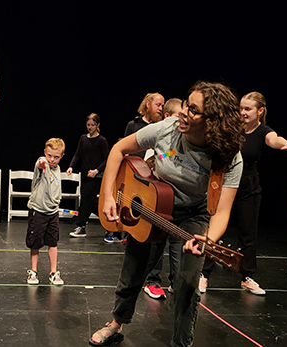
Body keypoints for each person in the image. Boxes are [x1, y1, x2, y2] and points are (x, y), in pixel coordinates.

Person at [89, 81, 244, 347]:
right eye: (186, 104)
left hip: (192, 213)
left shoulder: (228, 157)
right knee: (133, 272)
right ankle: (116, 323)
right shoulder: (167, 129)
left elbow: (221, 212)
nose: (184, 112)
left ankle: (181, 342)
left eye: (193, 110)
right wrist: (107, 198)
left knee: (187, 284)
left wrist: (207, 239)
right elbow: (118, 150)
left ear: (213, 122)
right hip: (151, 202)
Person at [200, 91, 287, 296]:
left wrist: (286, 144)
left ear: (260, 111)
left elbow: (274, 139)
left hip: (248, 186)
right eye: (241, 108)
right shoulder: (232, 127)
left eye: (247, 109)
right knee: (214, 228)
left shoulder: (263, 131)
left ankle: (246, 276)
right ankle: (203, 273)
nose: (242, 112)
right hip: (223, 184)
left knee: (248, 233)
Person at [141, 98, 185, 300]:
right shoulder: (158, 142)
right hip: (158, 204)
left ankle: (177, 282)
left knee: (178, 247)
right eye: (179, 116)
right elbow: (152, 163)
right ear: (168, 117)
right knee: (155, 246)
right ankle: (152, 281)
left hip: (178, 204)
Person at [26, 138, 66, 286]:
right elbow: (40, 162)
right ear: (45, 153)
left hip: (53, 213)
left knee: (53, 243)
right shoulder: (43, 165)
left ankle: (53, 272)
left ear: (61, 156)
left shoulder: (58, 169)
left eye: (56, 157)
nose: (52, 160)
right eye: (49, 155)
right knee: (35, 244)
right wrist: (42, 163)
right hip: (38, 211)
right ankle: (33, 271)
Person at [67, 113, 110, 241]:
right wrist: (71, 166)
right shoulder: (83, 138)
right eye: (88, 125)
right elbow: (77, 154)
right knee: (89, 203)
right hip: (85, 174)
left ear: (98, 125)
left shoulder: (101, 140)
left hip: (95, 176)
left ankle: (81, 226)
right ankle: (109, 224)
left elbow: (107, 159)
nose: (90, 127)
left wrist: (96, 171)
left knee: (87, 200)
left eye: (92, 125)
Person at [124, 93, 164, 159]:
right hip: (134, 166)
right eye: (158, 105)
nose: (161, 109)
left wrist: (159, 158)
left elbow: (169, 153)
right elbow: (125, 149)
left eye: (162, 106)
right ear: (148, 104)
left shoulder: (161, 128)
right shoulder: (133, 125)